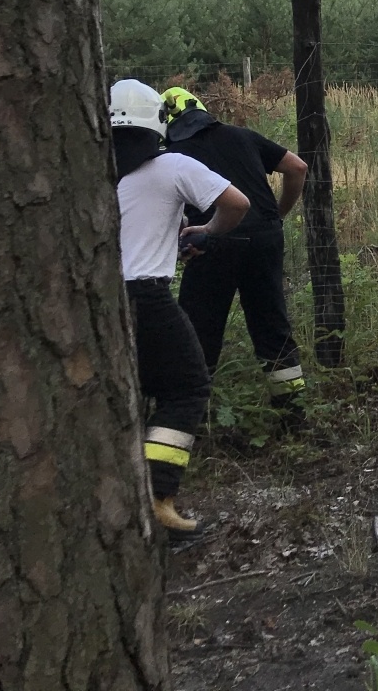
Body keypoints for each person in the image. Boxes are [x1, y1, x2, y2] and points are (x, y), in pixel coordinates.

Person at [110, 78, 250, 547]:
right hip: (147, 299)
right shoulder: (171, 165)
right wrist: (207, 231)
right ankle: (158, 501)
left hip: (103, 302)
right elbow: (236, 204)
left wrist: (173, 238)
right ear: (157, 125)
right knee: (187, 387)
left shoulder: (98, 175)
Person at [159, 87, 310, 419]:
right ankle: (293, 416)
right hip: (265, 238)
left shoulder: (173, 154)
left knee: (199, 330)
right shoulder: (242, 135)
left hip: (212, 241)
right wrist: (276, 215)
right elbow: (298, 168)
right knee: (272, 325)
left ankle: (191, 417)